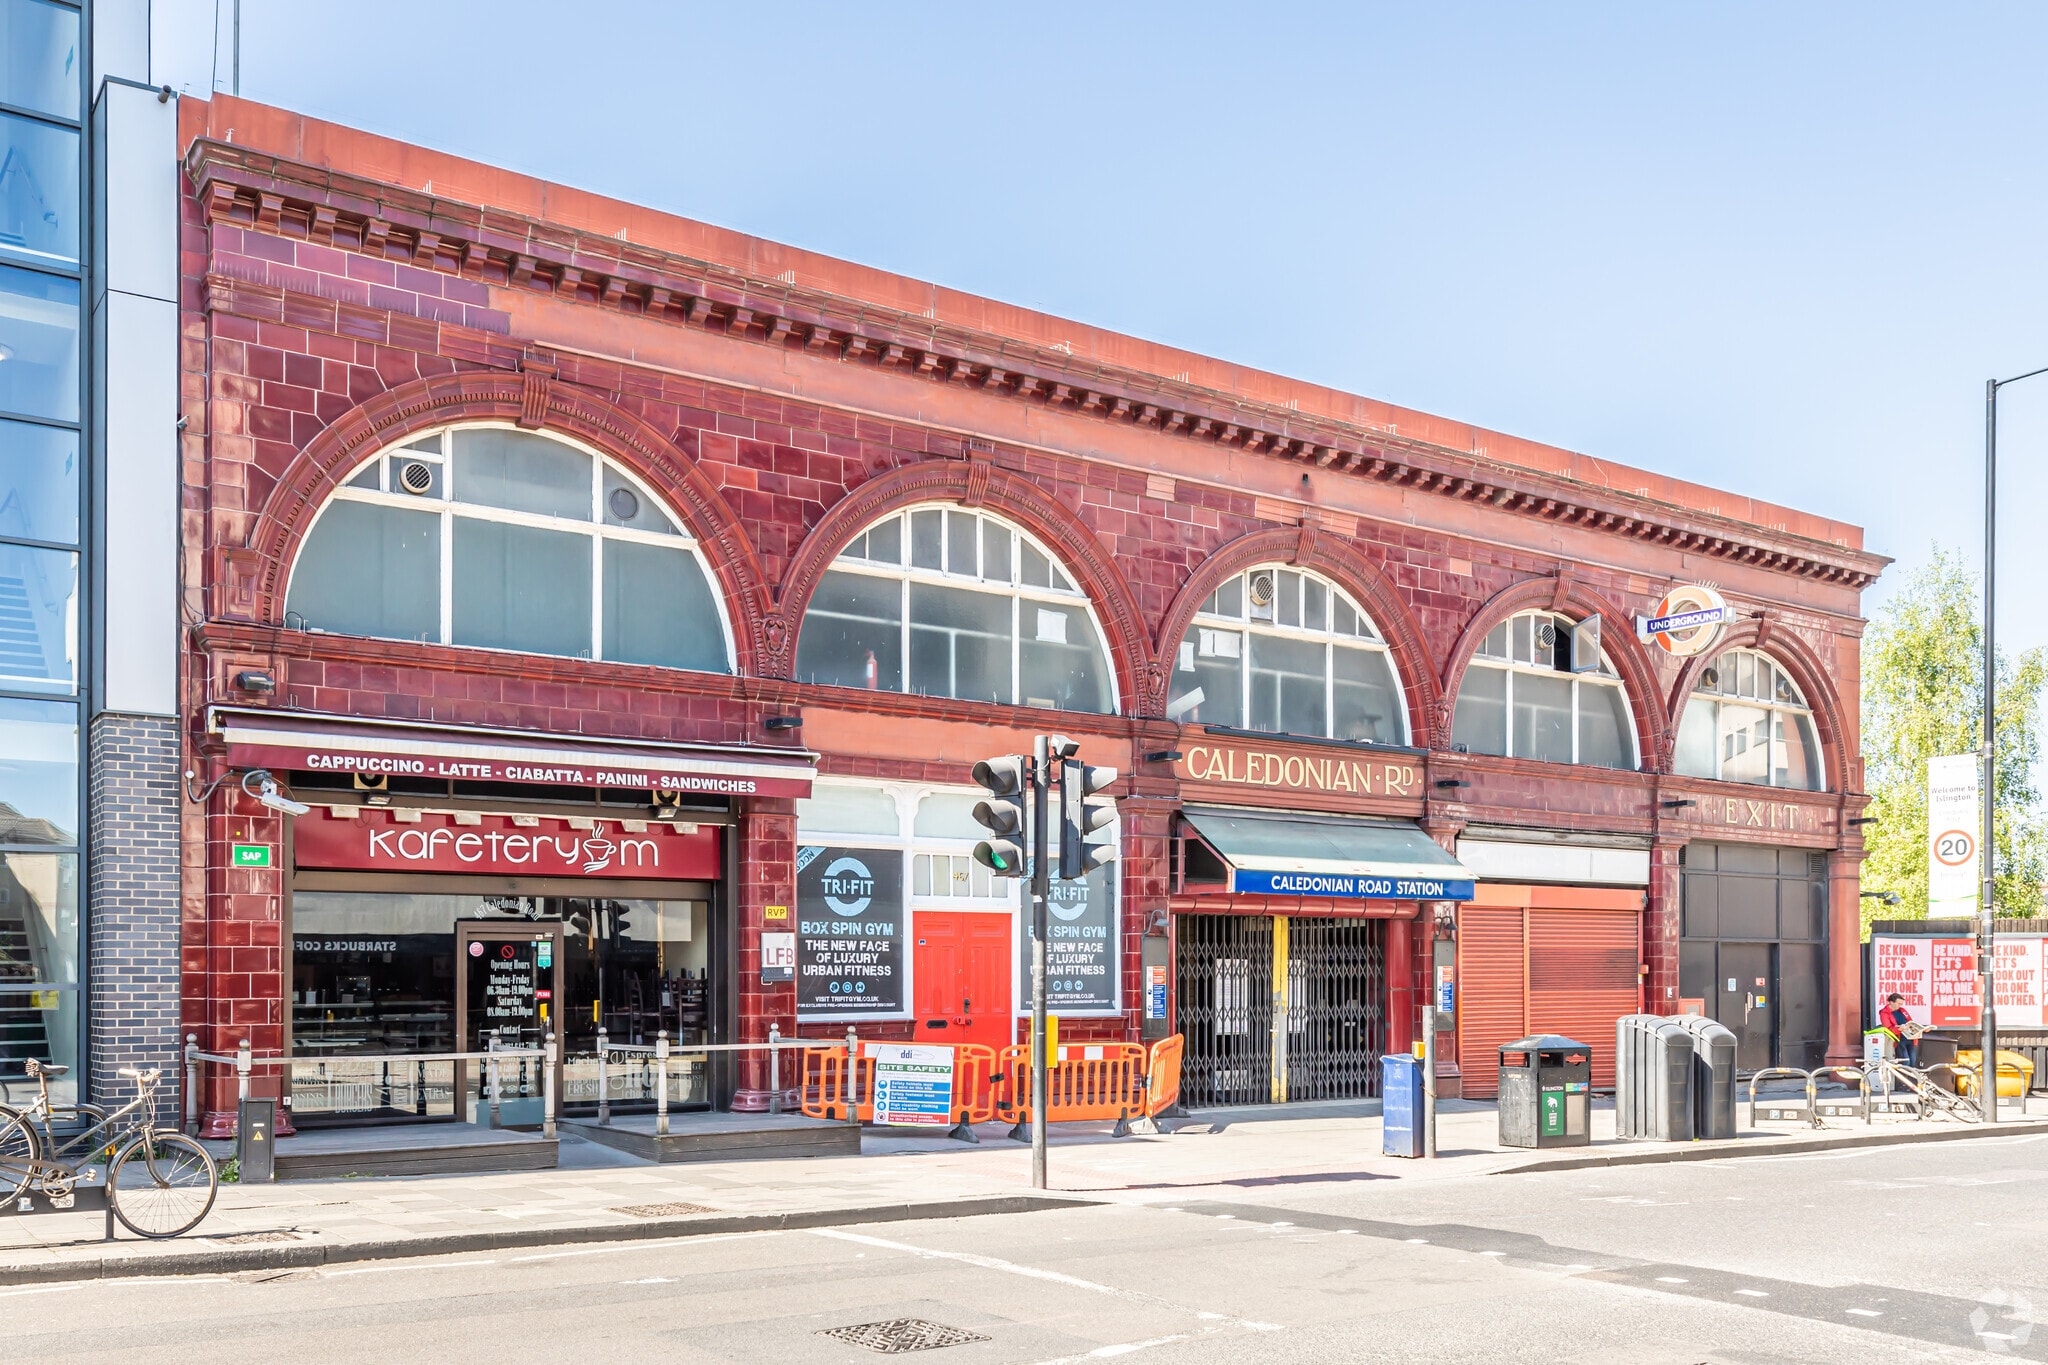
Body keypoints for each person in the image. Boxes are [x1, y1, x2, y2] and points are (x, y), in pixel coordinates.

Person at [1877, 992, 1919, 1066]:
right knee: (1906, 1061)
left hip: (1910, 1037)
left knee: (1913, 1061)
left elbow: (1910, 1021)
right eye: (1898, 1003)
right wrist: (1899, 1029)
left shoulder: (1902, 1010)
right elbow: (1888, 1028)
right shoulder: (1884, 1013)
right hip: (1899, 1039)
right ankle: (1903, 1077)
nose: (1900, 1005)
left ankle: (1911, 1077)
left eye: (1901, 1004)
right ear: (1891, 1002)